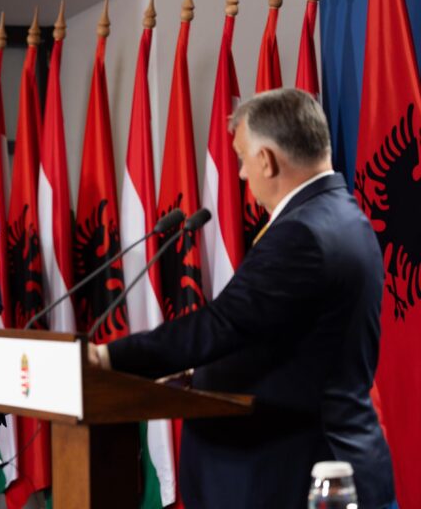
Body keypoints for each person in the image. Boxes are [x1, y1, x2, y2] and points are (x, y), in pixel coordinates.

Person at [89, 89, 395, 508]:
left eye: (242, 157)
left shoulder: (301, 232)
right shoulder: (344, 217)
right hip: (320, 459)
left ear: (267, 160)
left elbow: (225, 323)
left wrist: (110, 358)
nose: (241, 173)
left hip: (295, 471)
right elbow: (288, 337)